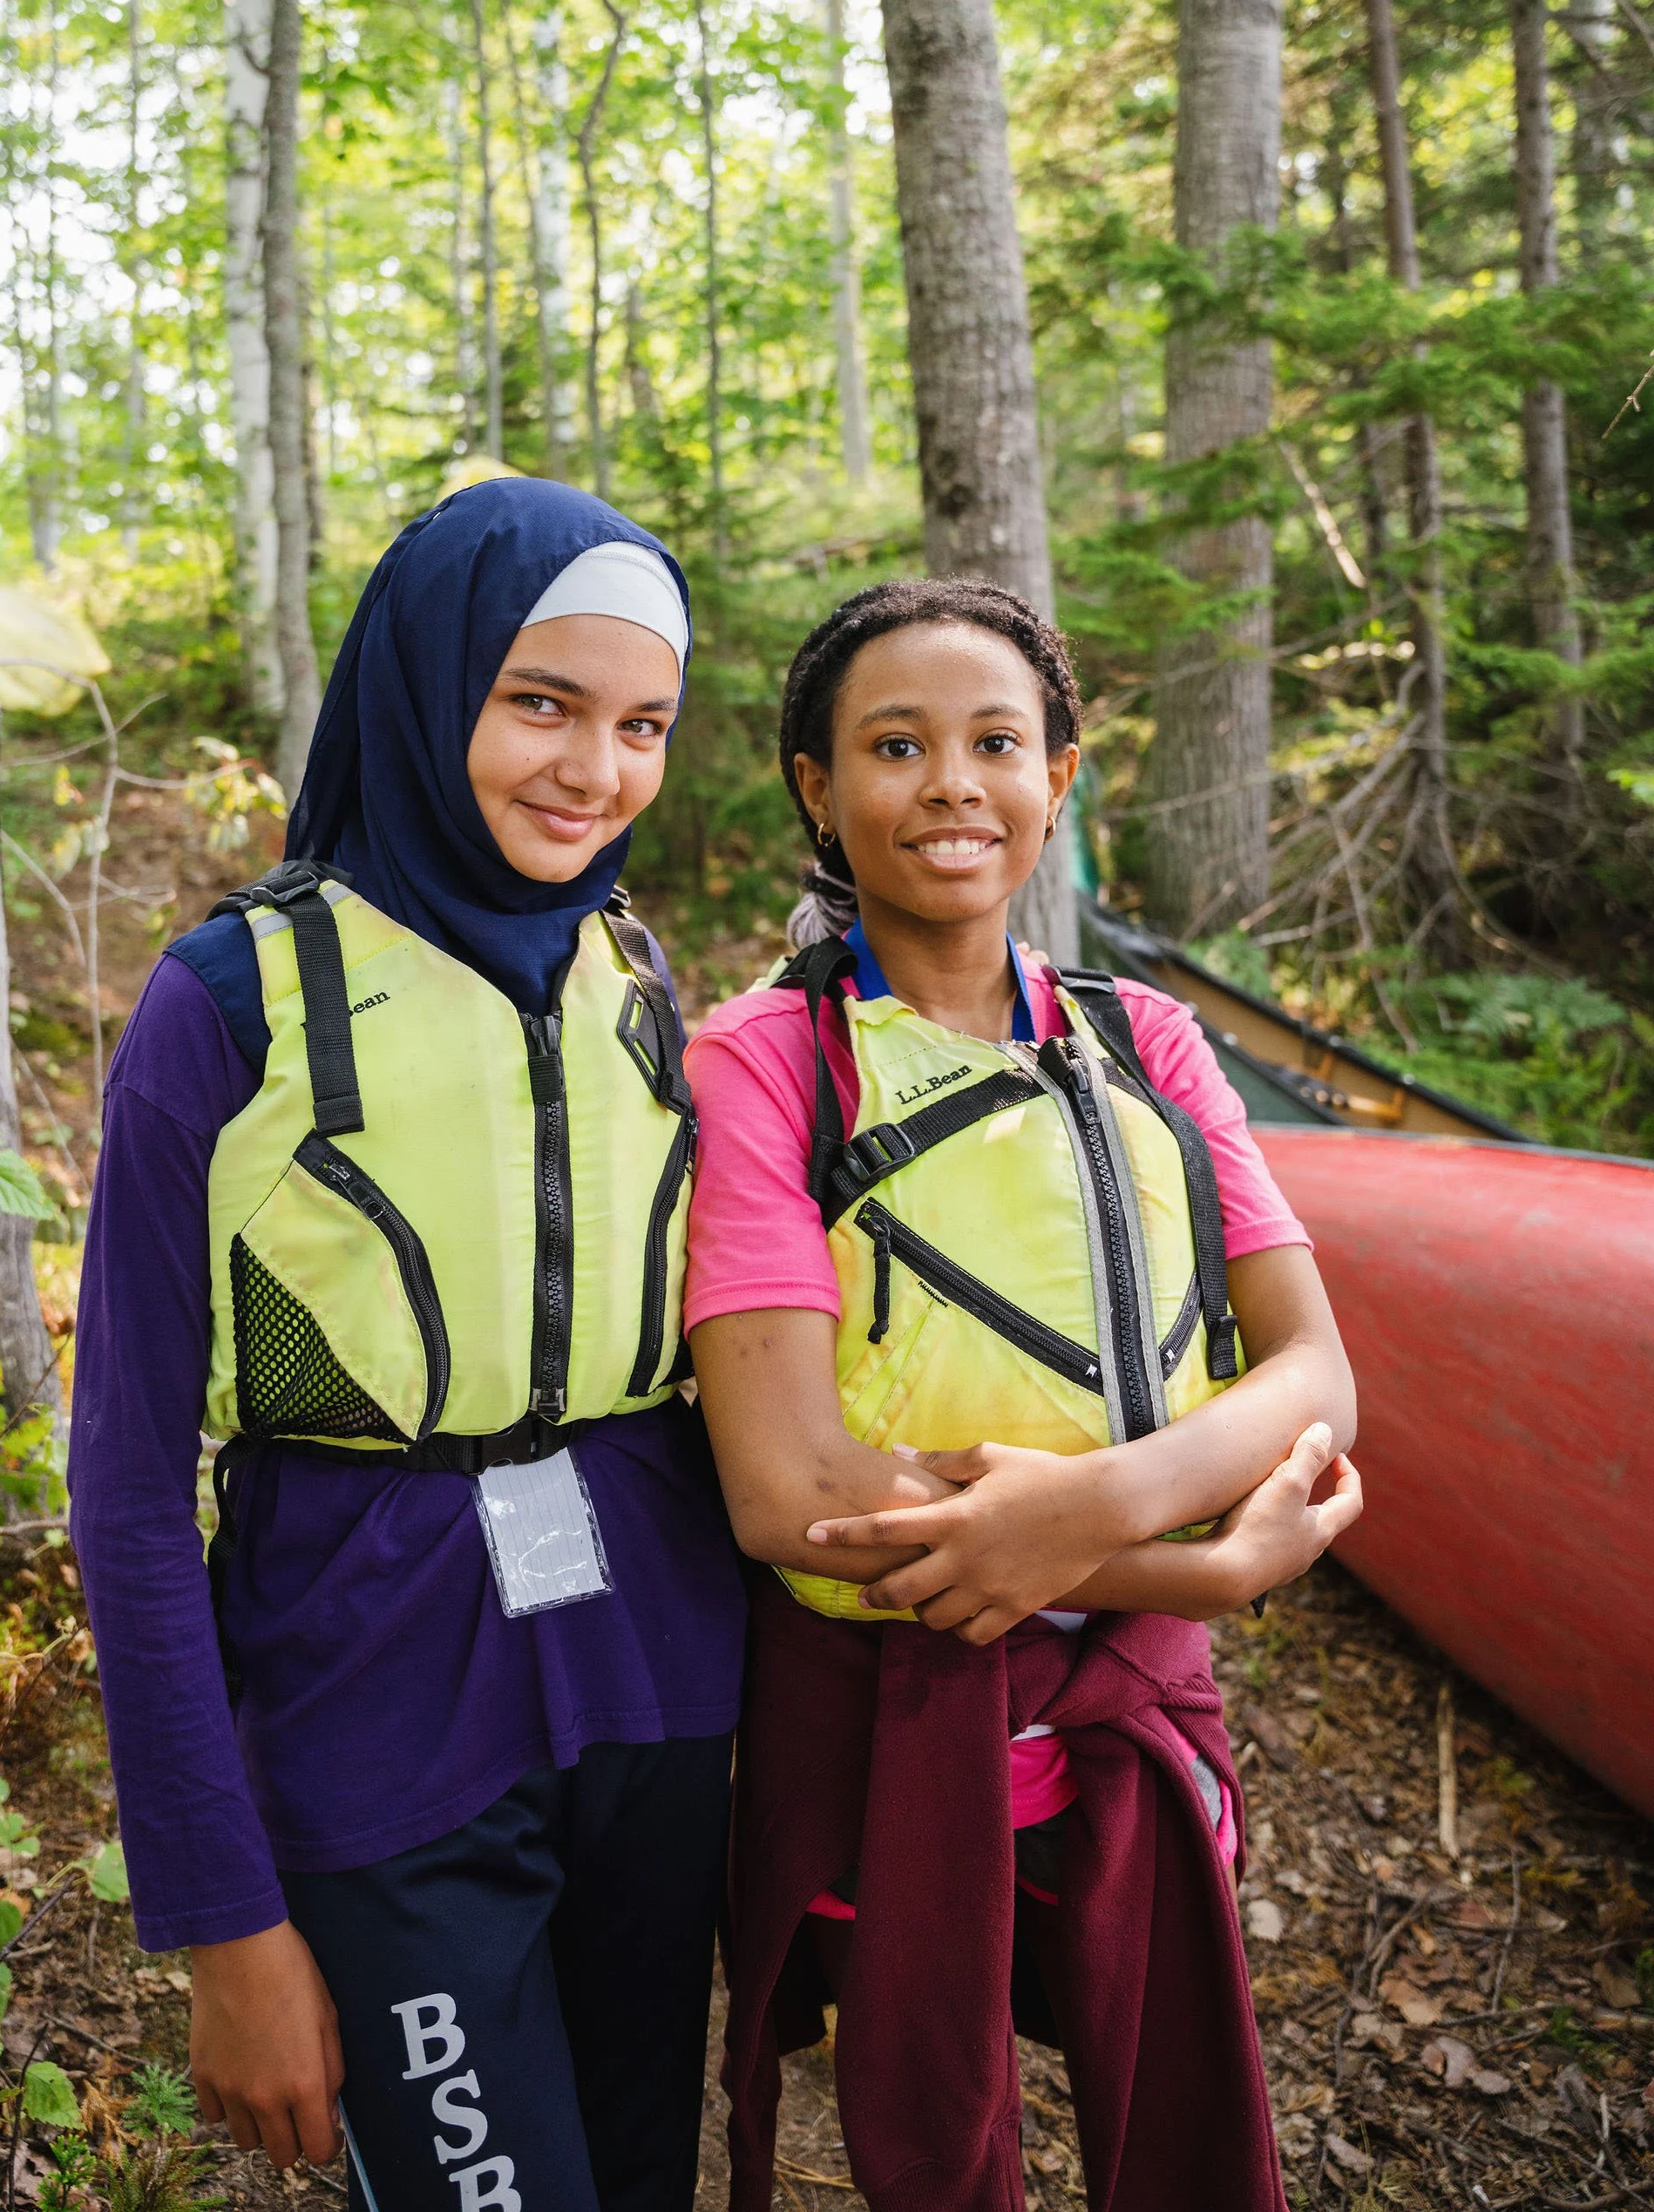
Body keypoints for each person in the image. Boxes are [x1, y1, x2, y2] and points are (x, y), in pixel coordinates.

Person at [69, 479, 746, 2212]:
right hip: (371, 1713)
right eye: (542, 702)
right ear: (426, 680)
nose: (594, 768)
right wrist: (223, 1917)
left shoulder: (632, 975)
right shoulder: (230, 1002)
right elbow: (135, 1497)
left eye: (643, 723)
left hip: (651, 1700)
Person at [684, 579, 1363, 2212]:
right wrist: (1197, 1562)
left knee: (1169, 2114)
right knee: (935, 2131)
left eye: (997, 742)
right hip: (889, 1717)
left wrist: (1097, 1516)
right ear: (816, 790)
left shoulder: (1157, 1047)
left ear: (1061, 774)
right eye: (894, 746)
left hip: (1131, 1706)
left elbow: (1316, 1367)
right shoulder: (764, 1064)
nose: (950, 786)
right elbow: (789, 1496)